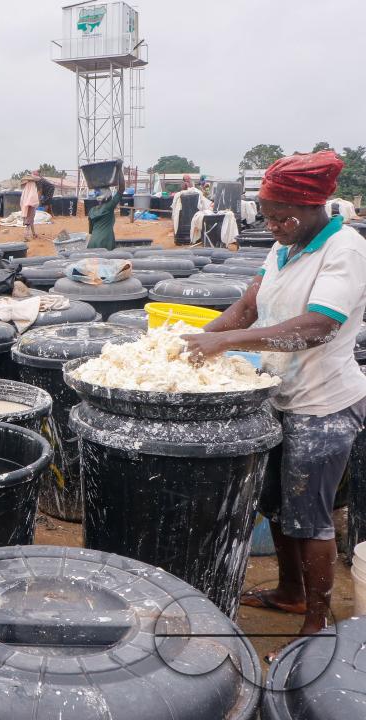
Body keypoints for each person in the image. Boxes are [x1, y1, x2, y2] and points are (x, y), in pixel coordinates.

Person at [183, 151, 366, 657]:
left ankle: (316, 621)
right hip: (278, 395)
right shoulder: (282, 248)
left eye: (281, 216)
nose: (272, 225)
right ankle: (289, 593)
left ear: (315, 208)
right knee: (277, 506)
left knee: (311, 515)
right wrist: (188, 341)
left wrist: (227, 344)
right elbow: (247, 305)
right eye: (265, 215)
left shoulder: (344, 250)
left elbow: (317, 326)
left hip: (322, 402)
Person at [86, 171, 126, 250]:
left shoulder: (91, 211)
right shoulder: (109, 207)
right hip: (105, 242)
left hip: (92, 243)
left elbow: (91, 231)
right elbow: (121, 189)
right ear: (108, 195)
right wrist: (119, 170)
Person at [19, 173, 41, 240]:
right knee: (29, 221)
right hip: (30, 206)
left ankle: (33, 233)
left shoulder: (26, 187)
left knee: (30, 220)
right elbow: (33, 198)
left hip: (26, 205)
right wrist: (34, 203)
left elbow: (23, 199)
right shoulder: (32, 186)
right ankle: (26, 236)